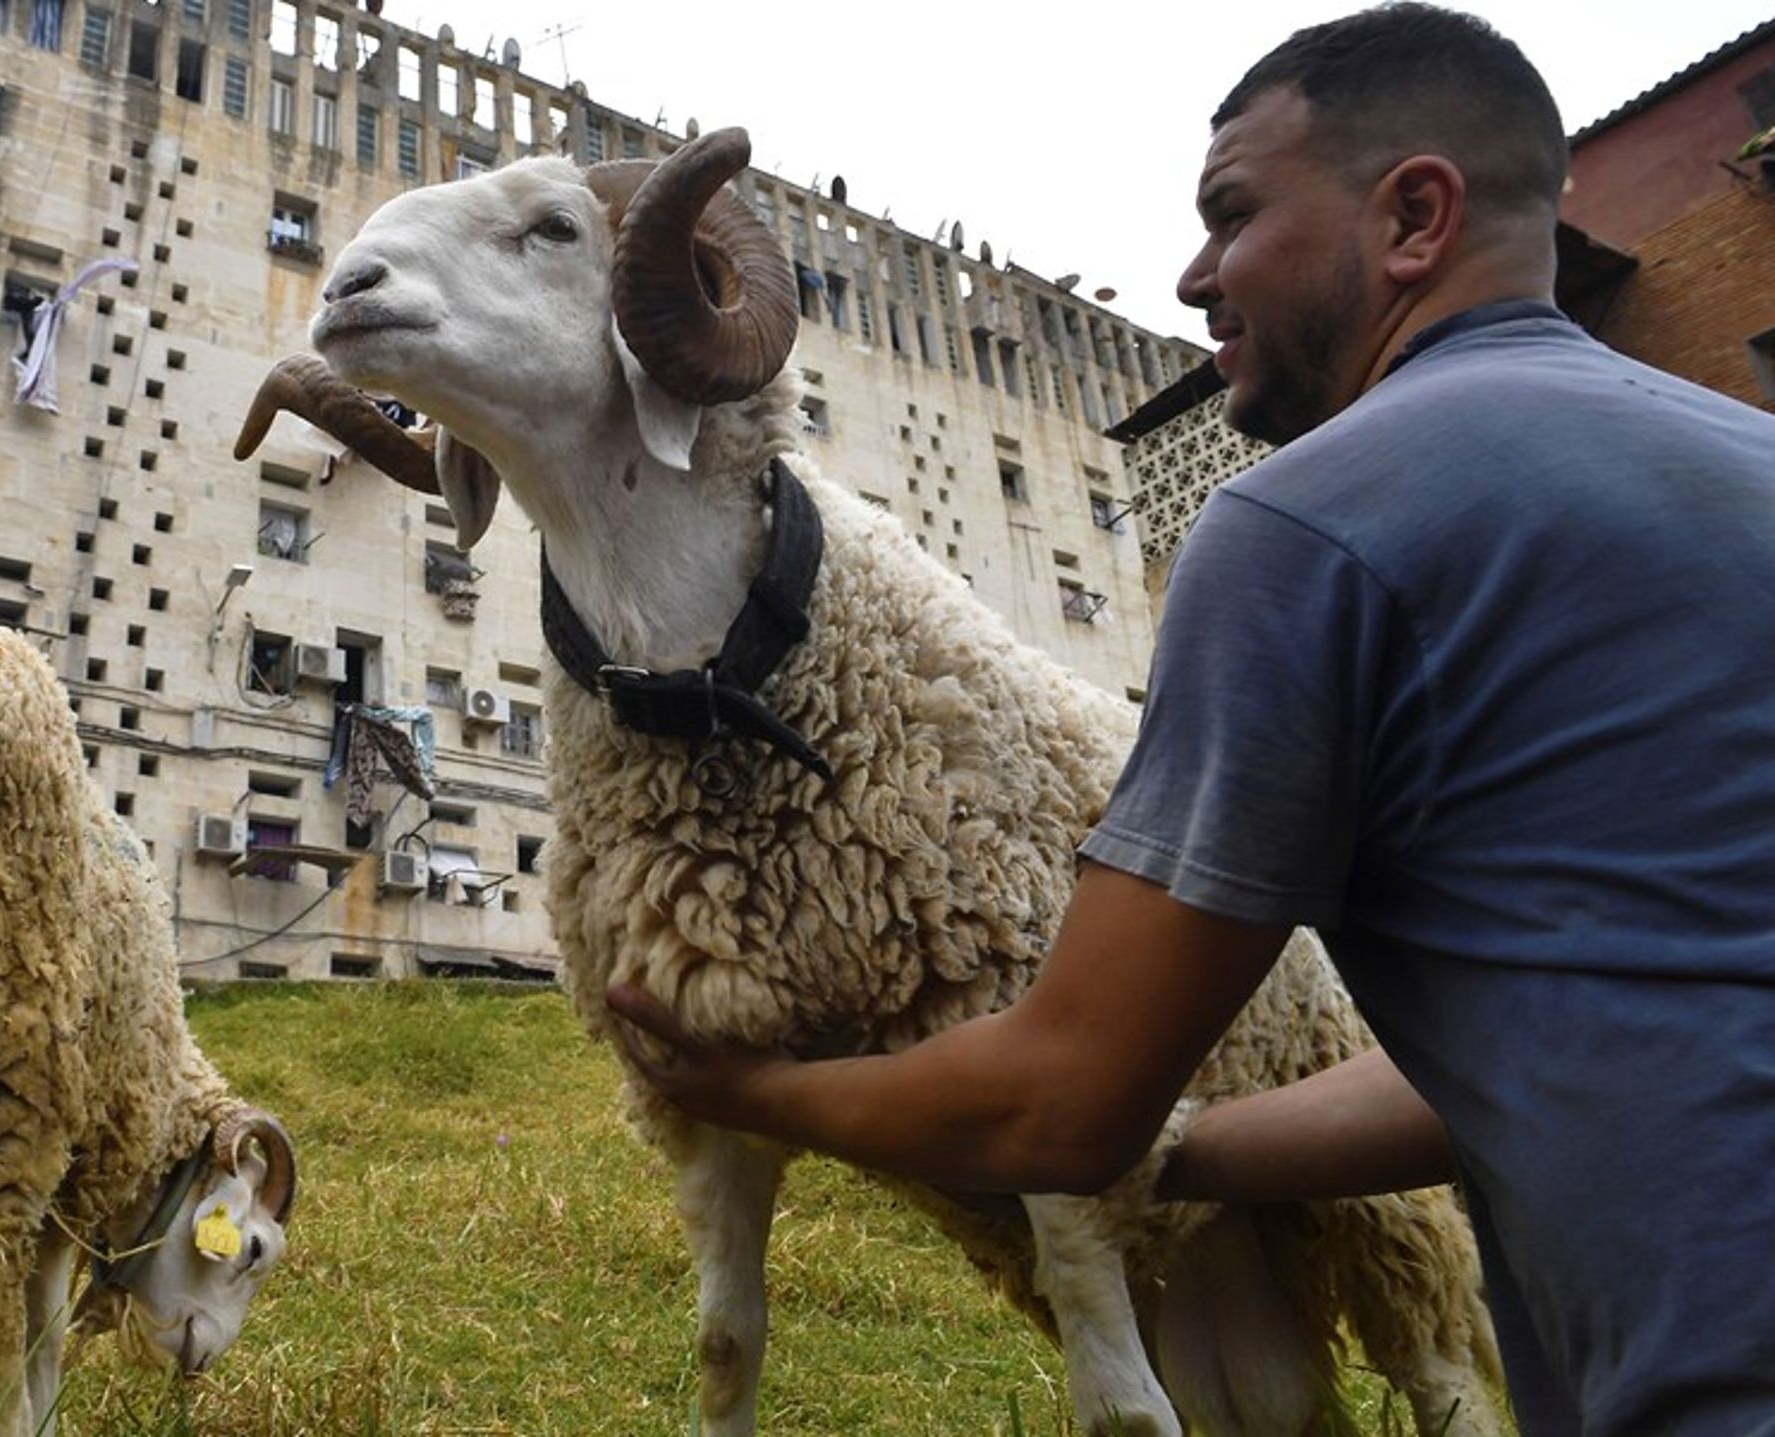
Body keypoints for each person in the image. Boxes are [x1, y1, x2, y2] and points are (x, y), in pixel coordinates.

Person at [603, 5, 1775, 1432]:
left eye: (1233, 215)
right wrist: (1195, 1151)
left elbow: (1068, 1104)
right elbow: (1530, 1046)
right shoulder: (1751, 455)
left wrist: (758, 1095)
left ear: (1415, 216)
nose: (1196, 273)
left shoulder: (1308, 527)